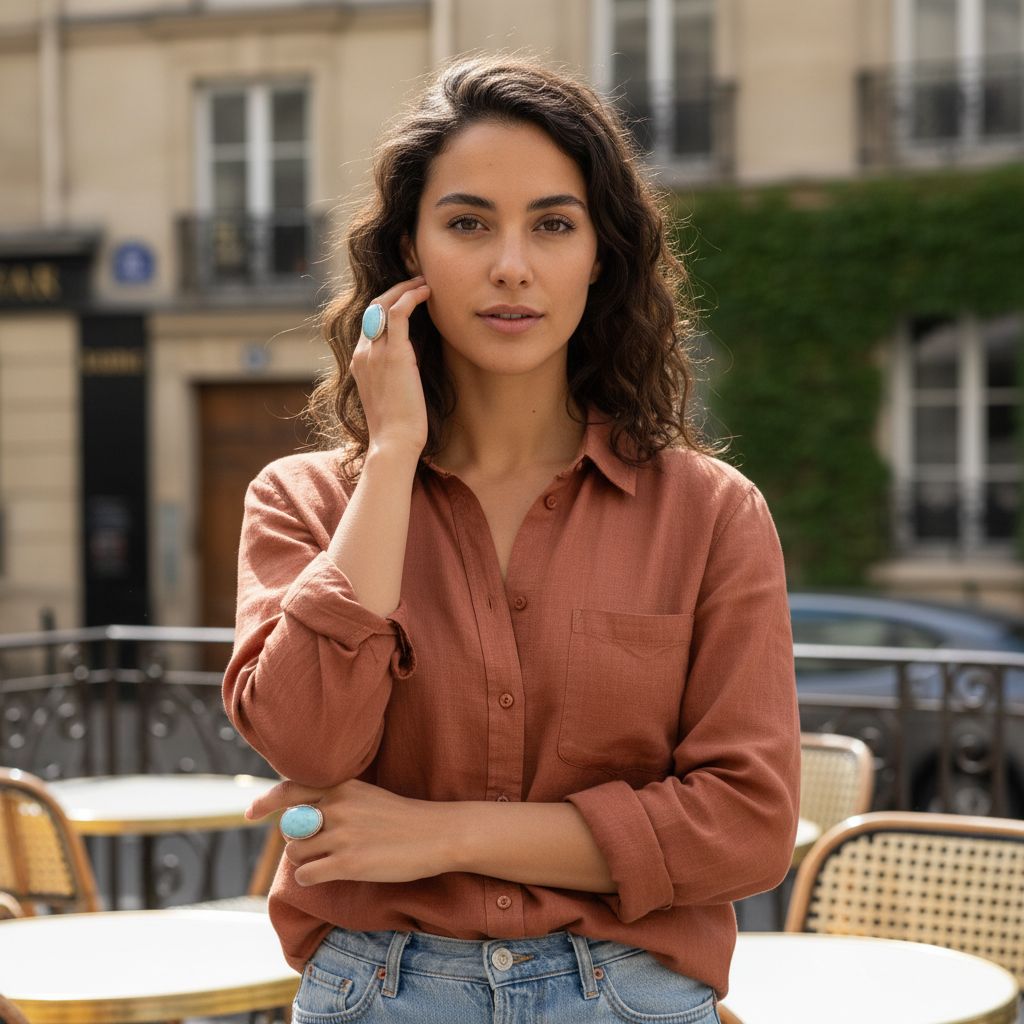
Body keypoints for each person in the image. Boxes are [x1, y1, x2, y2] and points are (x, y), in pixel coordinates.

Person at [224, 52, 800, 1024]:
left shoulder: (708, 513)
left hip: (628, 994)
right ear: (407, 252)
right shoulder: (303, 501)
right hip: (378, 992)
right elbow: (310, 742)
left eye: (553, 224)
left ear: (600, 254)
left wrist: (437, 835)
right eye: (467, 223)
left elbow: (746, 828)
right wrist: (393, 453)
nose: (511, 266)